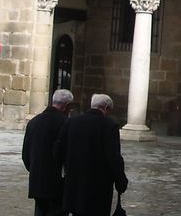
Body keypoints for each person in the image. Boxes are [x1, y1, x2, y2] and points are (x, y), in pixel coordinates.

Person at [55, 93, 128, 216]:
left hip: (74, 185)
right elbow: (113, 157)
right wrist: (121, 181)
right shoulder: (109, 125)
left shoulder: (72, 122)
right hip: (99, 189)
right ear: (106, 108)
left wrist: (67, 169)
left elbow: (58, 149)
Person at [22, 88, 74, 216]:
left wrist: (35, 170)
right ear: (67, 106)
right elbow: (69, 155)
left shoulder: (34, 122)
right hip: (58, 185)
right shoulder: (67, 123)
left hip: (37, 182)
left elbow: (26, 155)